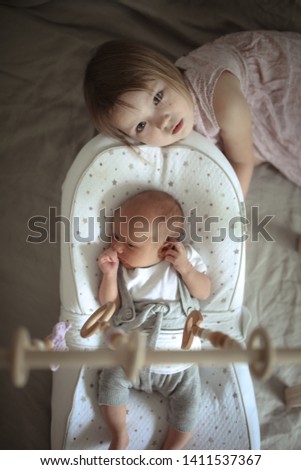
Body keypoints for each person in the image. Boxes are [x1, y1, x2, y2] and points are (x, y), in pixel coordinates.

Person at [84, 32, 301, 197]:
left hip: (282, 87)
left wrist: (231, 216)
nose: (163, 121)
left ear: (169, 71)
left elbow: (241, 162)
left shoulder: (222, 101)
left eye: (158, 98)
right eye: (141, 126)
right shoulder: (173, 114)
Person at [97, 190, 211, 450]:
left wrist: (186, 269)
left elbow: (203, 292)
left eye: (130, 244)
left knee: (190, 406)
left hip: (179, 367)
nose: (117, 247)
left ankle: (170, 451)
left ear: (166, 246)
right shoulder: (124, 271)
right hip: (132, 358)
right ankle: (119, 434)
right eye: (115, 236)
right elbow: (110, 306)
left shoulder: (183, 260)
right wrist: (109, 275)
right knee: (110, 384)